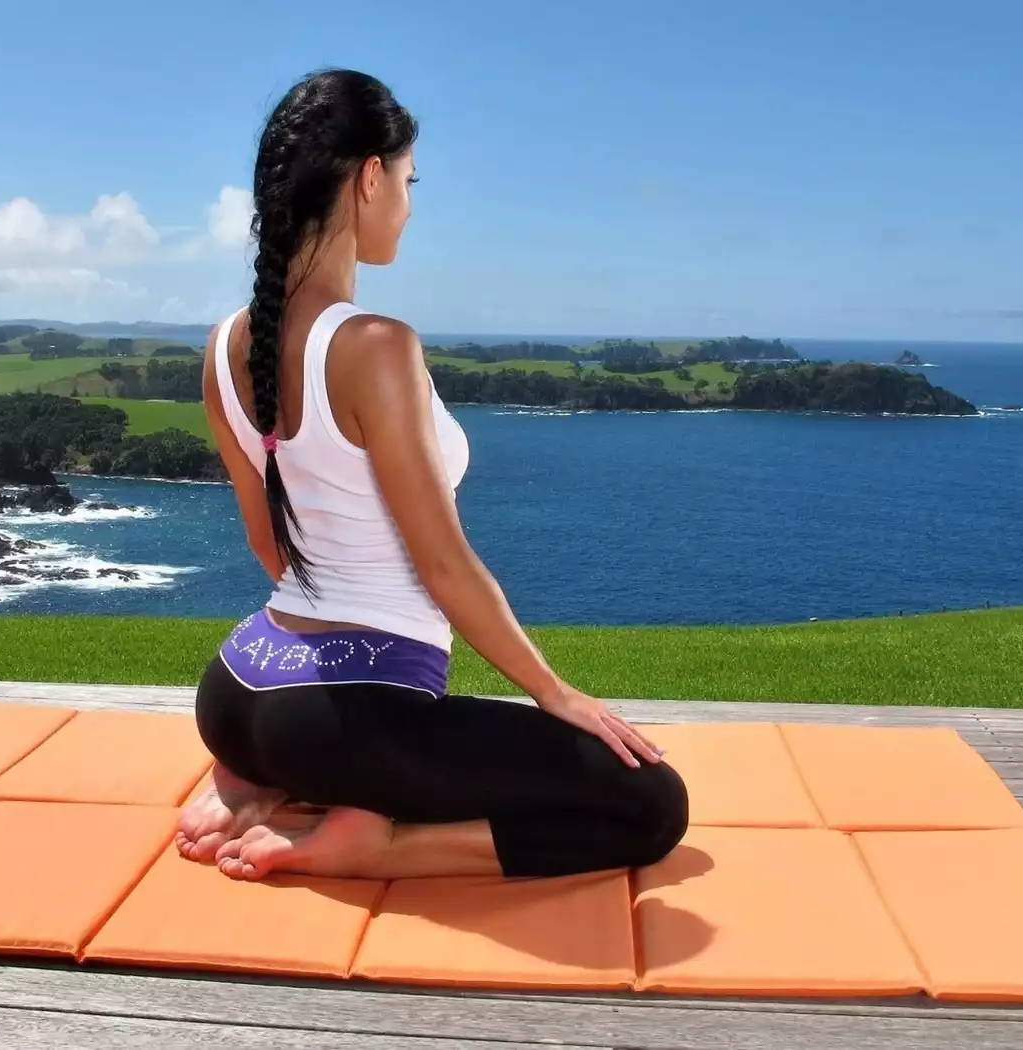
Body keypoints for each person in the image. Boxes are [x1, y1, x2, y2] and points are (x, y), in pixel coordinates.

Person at [175, 68, 689, 883]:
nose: (410, 206)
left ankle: (258, 780)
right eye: (409, 181)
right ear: (369, 177)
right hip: (338, 723)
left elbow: (266, 543)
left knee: (358, 744)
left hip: (234, 695)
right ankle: (378, 842)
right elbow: (444, 566)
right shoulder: (376, 345)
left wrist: (290, 714)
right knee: (653, 804)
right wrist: (555, 693)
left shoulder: (221, 345)